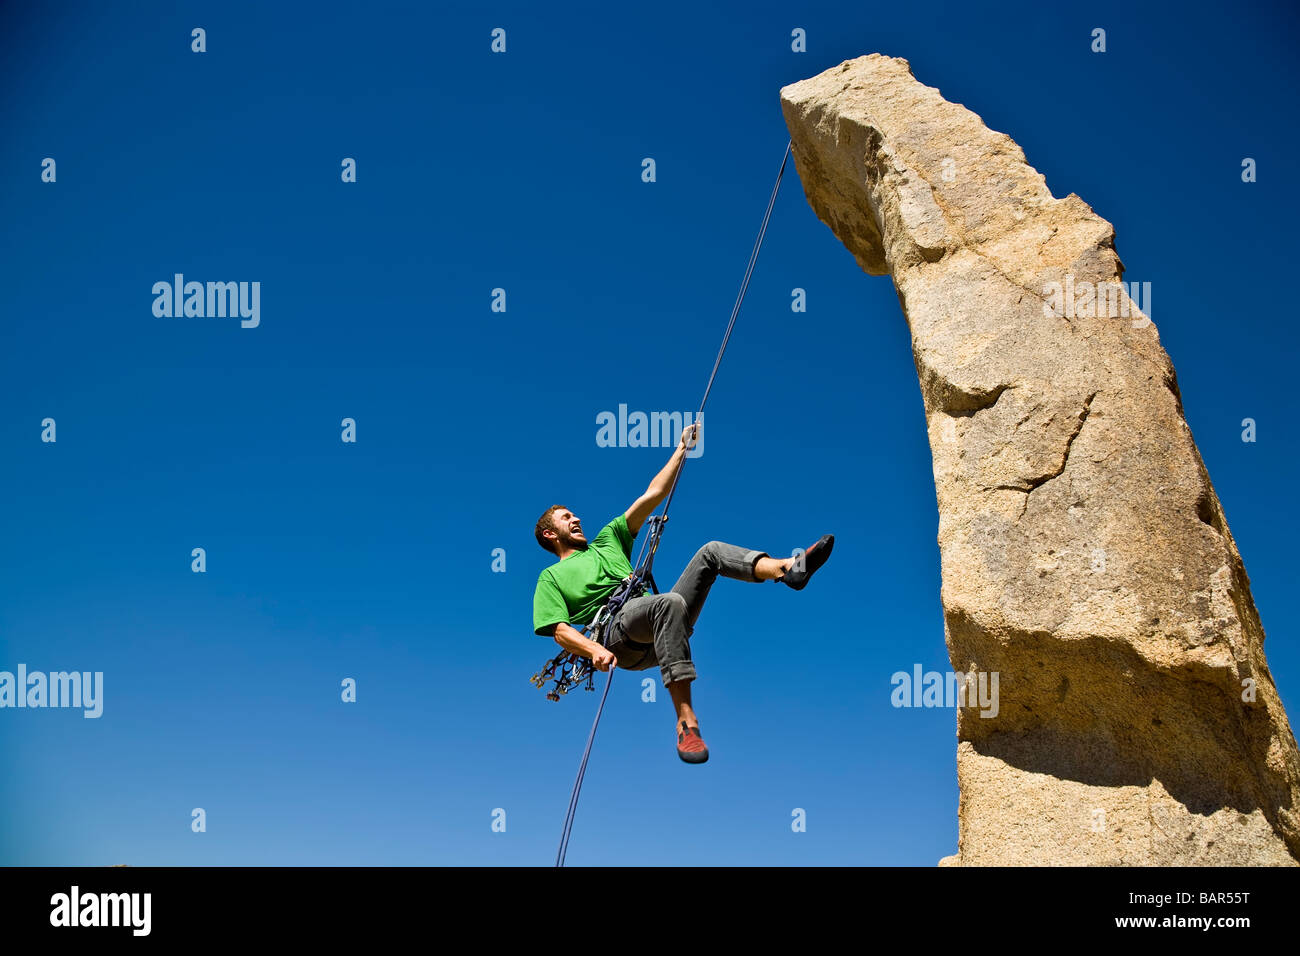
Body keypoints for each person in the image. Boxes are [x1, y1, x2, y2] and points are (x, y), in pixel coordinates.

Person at [532, 423, 834, 764]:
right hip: (620, 636)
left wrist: (681, 449)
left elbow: (653, 494)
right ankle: (686, 723)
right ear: (548, 534)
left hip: (661, 625)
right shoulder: (551, 577)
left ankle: (786, 570)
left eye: (574, 514)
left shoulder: (608, 539)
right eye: (565, 517)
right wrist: (594, 651)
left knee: (711, 552)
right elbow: (559, 630)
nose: (576, 518)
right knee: (668, 603)